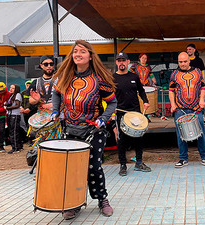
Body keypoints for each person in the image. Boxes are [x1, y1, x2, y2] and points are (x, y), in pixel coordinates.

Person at [51, 40, 116, 219]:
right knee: (72, 168)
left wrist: (103, 119)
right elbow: (56, 93)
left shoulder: (99, 79)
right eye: (75, 51)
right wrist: (56, 110)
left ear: (90, 56)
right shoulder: (65, 76)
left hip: (94, 130)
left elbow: (112, 102)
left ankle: (102, 199)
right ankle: (74, 202)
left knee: (94, 166)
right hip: (70, 129)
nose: (77, 54)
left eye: (82, 51)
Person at [170, 52, 205, 168]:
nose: (183, 64)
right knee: (180, 134)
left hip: (196, 108)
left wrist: (202, 100)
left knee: (200, 132)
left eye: (185, 61)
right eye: (180, 62)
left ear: (189, 61)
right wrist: (173, 104)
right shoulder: (174, 74)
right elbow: (171, 90)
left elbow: (203, 87)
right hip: (180, 109)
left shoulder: (198, 72)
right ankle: (183, 158)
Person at [113, 51, 152, 176]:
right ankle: (123, 165)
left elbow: (141, 91)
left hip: (135, 113)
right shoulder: (113, 78)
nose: (121, 63)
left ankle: (139, 162)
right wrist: (111, 108)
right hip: (120, 113)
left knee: (139, 139)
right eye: (119, 61)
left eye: (124, 60)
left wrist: (145, 101)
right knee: (121, 140)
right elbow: (109, 97)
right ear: (116, 63)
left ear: (128, 62)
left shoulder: (134, 77)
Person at [5, 84, 23, 154]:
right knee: (12, 131)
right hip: (10, 114)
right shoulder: (12, 95)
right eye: (10, 87)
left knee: (14, 132)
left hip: (15, 115)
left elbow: (17, 105)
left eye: (13, 88)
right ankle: (18, 146)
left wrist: (7, 108)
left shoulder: (18, 95)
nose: (11, 89)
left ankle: (15, 148)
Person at [20, 80, 37, 145]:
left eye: (30, 85)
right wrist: (21, 108)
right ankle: (27, 139)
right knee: (25, 126)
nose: (28, 87)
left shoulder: (35, 93)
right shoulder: (23, 93)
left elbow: (36, 103)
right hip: (24, 113)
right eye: (27, 85)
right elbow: (19, 102)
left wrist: (30, 109)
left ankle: (32, 139)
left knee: (32, 127)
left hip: (32, 113)